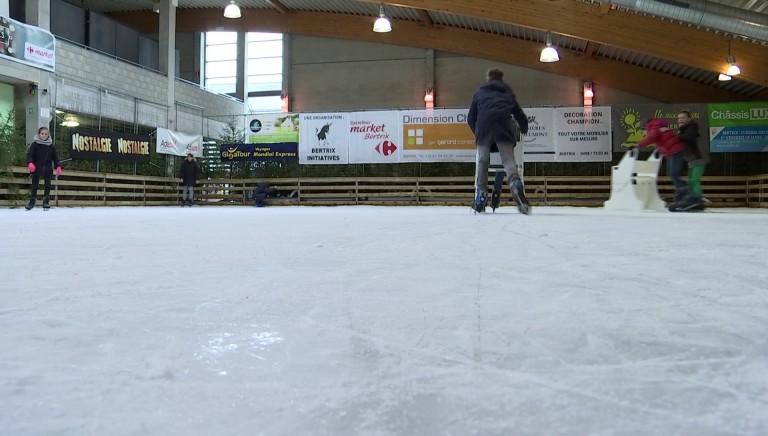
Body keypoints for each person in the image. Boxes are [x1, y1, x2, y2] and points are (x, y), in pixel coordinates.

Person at [467, 67, 530, 214]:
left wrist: (477, 133)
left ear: (488, 78)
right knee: (508, 161)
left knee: (482, 160)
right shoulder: (507, 92)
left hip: (484, 130)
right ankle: (515, 183)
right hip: (504, 130)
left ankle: (481, 195)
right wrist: (523, 128)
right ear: (502, 78)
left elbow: (470, 118)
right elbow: (519, 114)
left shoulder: (479, 93)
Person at [635, 118, 687, 210]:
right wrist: (659, 151)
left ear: (645, 127)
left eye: (644, 131)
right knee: (673, 174)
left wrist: (638, 145)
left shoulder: (653, 126)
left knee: (673, 174)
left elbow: (653, 137)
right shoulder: (658, 126)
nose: (645, 133)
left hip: (675, 151)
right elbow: (663, 140)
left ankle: (685, 196)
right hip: (675, 151)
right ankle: (683, 196)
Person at [675, 110, 707, 211]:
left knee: (694, 179)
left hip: (699, 157)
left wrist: (675, 137)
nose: (681, 120)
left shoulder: (692, 127)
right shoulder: (682, 129)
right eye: (679, 118)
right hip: (692, 159)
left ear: (689, 119)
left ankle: (697, 200)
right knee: (690, 180)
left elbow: (688, 137)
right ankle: (692, 200)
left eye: (683, 118)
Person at [25, 126, 61, 211]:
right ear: (39, 134)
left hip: (47, 168)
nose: (44, 135)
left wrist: (58, 166)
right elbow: (30, 155)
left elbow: (55, 158)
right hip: (36, 168)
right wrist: (30, 163)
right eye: (42, 134)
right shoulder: (35, 145)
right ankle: (32, 201)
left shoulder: (51, 146)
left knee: (48, 185)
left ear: (48, 135)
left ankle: (46, 202)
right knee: (34, 185)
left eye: (45, 134)